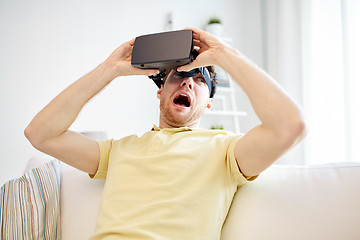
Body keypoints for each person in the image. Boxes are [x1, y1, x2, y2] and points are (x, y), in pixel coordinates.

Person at [25, 27, 306, 239]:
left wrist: (224, 55)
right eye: (179, 75)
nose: (187, 84)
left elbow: (290, 126)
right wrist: (109, 69)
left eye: (199, 80)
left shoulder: (225, 150)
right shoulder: (117, 151)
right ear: (160, 91)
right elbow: (40, 133)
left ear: (208, 105)